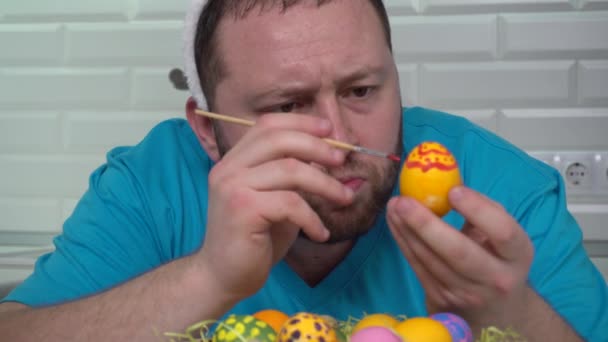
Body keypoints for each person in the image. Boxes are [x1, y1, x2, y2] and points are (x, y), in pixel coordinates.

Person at [1, 0, 606, 340]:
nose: (341, 141)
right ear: (208, 130)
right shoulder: (148, 186)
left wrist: (513, 314)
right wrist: (208, 279)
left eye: (363, 90)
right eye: (287, 106)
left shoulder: (500, 188)